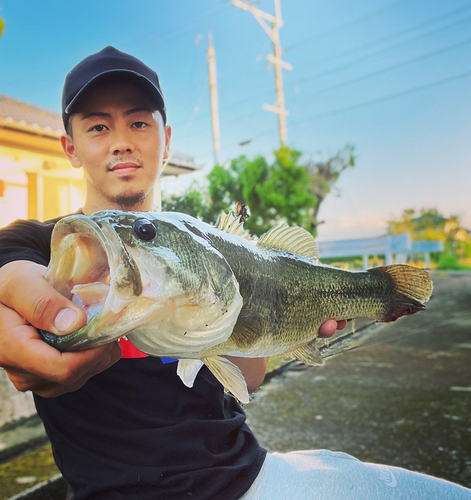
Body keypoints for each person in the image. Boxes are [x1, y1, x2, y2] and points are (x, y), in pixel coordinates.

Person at [0, 47, 468, 500]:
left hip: (248, 478)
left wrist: (291, 328)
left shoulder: (210, 247)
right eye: (98, 126)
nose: (121, 140)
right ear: (71, 147)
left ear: (166, 141)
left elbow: (250, 373)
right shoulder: (38, 243)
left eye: (139, 122)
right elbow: (11, 277)